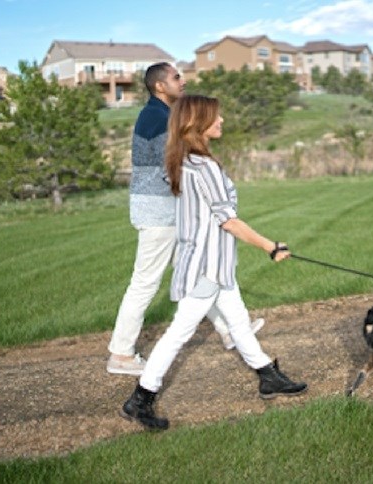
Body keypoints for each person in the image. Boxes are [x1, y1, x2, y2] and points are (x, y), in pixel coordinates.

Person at [120, 95, 307, 430]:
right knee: (179, 333)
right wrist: (270, 246)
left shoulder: (182, 160)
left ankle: (267, 375)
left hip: (215, 263)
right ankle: (140, 399)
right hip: (207, 267)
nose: (221, 121)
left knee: (237, 320)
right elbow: (229, 221)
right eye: (215, 117)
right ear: (197, 123)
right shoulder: (203, 167)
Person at [107, 63, 263, 376]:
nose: (183, 80)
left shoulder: (161, 116)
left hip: (168, 211)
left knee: (201, 270)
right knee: (145, 282)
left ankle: (230, 329)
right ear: (160, 87)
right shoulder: (158, 118)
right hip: (159, 213)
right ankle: (121, 354)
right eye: (177, 77)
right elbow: (175, 165)